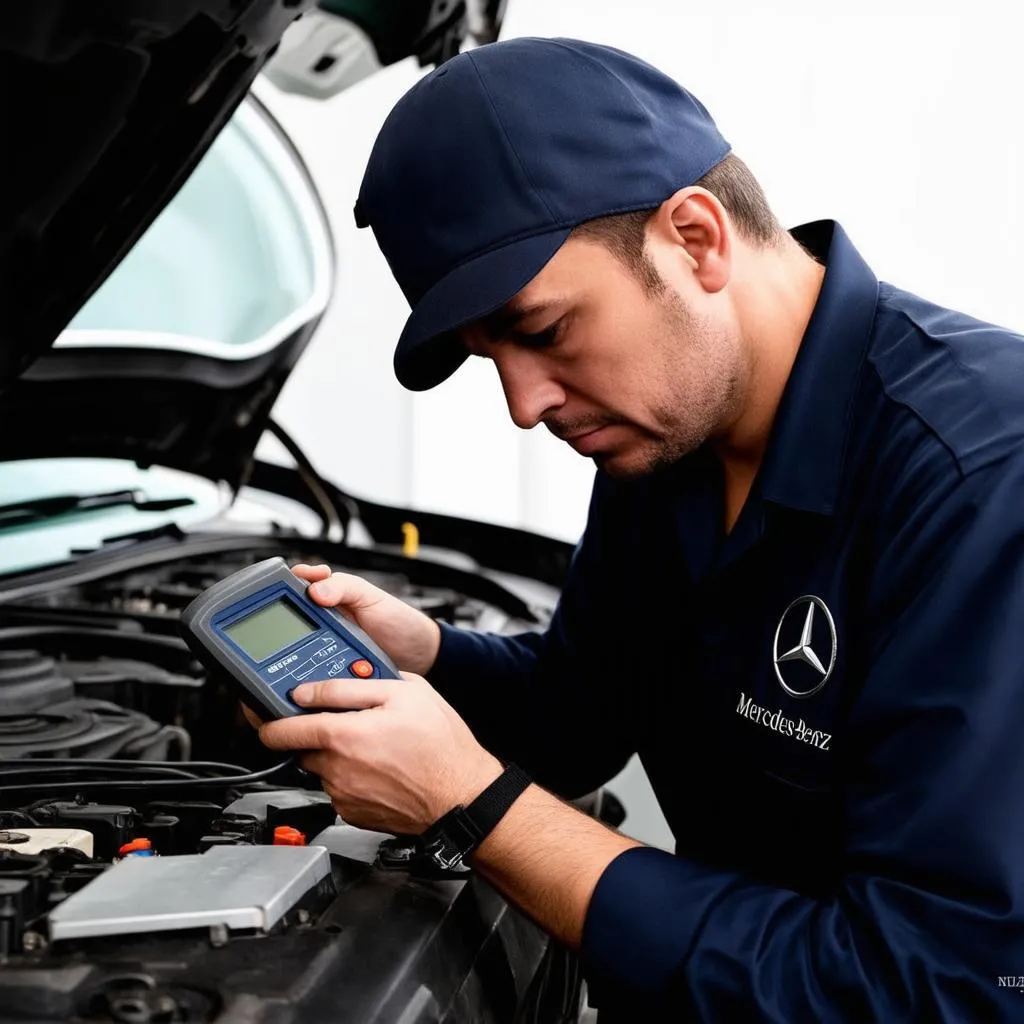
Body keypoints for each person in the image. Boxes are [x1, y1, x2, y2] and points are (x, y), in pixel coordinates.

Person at [253, 36, 1024, 1019]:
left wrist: (477, 808)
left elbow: (942, 987)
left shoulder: (980, 482)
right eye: (492, 360)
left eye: (540, 331)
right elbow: (580, 714)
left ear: (695, 238)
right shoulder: (664, 436)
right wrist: (426, 653)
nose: (525, 405)